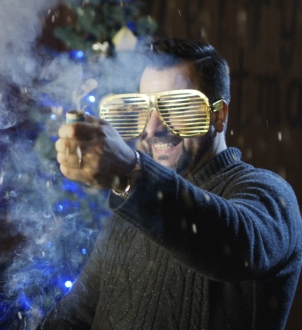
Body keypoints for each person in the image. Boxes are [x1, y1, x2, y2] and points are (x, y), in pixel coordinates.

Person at [40, 38, 302, 329]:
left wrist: (131, 173)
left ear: (218, 115)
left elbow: (237, 246)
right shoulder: (128, 216)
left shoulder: (269, 193)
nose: (153, 129)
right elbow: (75, 316)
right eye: (145, 109)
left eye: (178, 106)